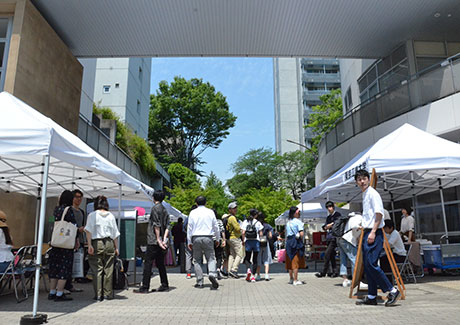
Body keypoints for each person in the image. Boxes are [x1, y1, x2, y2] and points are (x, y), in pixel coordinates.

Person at [354, 169, 400, 306]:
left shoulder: (373, 194)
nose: (362, 181)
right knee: (368, 266)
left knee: (371, 264)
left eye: (364, 178)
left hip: (374, 232)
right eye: (359, 179)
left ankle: (392, 290)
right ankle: (372, 296)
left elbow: (379, 214)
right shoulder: (365, 194)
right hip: (367, 231)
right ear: (356, 182)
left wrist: (373, 231)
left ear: (368, 179)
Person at [135, 190, 171, 293]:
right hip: (161, 241)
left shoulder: (155, 208)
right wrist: (164, 239)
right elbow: (168, 226)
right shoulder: (164, 209)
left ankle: (145, 287)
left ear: (154, 197)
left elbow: (156, 225)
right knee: (160, 263)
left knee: (148, 263)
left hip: (153, 240)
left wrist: (158, 240)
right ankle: (165, 284)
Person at [85, 196, 120, 301]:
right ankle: (107, 294)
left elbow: (88, 230)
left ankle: (98, 294)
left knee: (97, 269)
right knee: (108, 269)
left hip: (97, 243)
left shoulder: (92, 215)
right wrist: (116, 247)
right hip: (109, 243)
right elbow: (115, 234)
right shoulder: (111, 216)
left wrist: (89, 244)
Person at [48, 190, 78, 301]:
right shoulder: (68, 210)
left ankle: (52, 292)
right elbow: (73, 226)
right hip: (65, 244)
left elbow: (52, 223)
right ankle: (59, 293)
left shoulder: (56, 209)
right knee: (63, 269)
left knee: (54, 268)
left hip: (55, 243)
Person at [187, 196, 220, 290]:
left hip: (196, 237)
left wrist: (189, 241)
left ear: (196, 203)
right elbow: (215, 226)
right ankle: (212, 274)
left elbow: (189, 228)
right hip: (208, 237)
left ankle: (200, 281)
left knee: (197, 260)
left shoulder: (192, 212)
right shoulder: (210, 212)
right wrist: (217, 239)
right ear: (205, 203)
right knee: (211, 258)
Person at [64, 190, 86, 293]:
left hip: (79, 240)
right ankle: (66, 285)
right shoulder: (68, 210)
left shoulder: (82, 212)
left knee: (76, 262)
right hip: (69, 240)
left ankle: (72, 283)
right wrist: (77, 229)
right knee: (68, 264)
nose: (79, 199)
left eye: (80, 197)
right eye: (77, 197)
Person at [315, 201, 340, 278]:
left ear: (333, 207)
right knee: (331, 255)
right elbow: (325, 227)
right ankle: (334, 272)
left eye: (330, 207)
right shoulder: (329, 217)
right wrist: (328, 226)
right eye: (328, 207)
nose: (329, 209)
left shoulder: (337, 215)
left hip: (334, 237)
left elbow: (336, 224)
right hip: (329, 237)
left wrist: (329, 225)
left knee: (326, 254)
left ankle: (324, 272)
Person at [337, 212, 362, 287]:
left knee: (343, 260)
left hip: (341, 238)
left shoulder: (350, 217)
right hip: (348, 240)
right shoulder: (360, 217)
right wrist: (361, 228)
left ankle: (345, 280)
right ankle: (356, 281)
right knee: (354, 259)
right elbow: (355, 226)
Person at [241, 209, 264, 283]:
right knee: (255, 259)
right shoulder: (258, 222)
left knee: (247, 257)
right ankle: (253, 276)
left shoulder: (245, 222)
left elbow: (243, 232)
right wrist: (261, 239)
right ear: (256, 215)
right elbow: (261, 233)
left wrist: (243, 240)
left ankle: (248, 270)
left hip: (248, 241)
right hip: (256, 241)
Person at [285, 206, 306, 286]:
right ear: (296, 212)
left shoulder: (288, 222)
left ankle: (291, 278)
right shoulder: (298, 222)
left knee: (290, 260)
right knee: (295, 261)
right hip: (296, 242)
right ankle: (295, 280)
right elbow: (301, 233)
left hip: (289, 242)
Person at [225, 202, 243, 279]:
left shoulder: (228, 217)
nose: (235, 209)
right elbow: (237, 228)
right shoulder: (232, 218)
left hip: (229, 238)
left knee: (232, 255)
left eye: (236, 208)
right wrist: (242, 230)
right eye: (233, 208)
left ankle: (229, 271)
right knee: (240, 254)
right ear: (230, 210)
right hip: (235, 238)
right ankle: (234, 270)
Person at [256, 212, 273, 281]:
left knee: (258, 259)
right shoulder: (267, 226)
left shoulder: (256, 224)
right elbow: (271, 235)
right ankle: (266, 274)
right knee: (266, 259)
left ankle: (258, 275)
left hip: (257, 243)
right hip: (265, 243)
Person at [184, 204, 197, 279]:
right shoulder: (199, 217)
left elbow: (183, 228)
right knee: (197, 256)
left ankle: (188, 273)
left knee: (188, 256)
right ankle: (198, 272)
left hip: (189, 238)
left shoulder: (188, 218)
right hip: (197, 238)